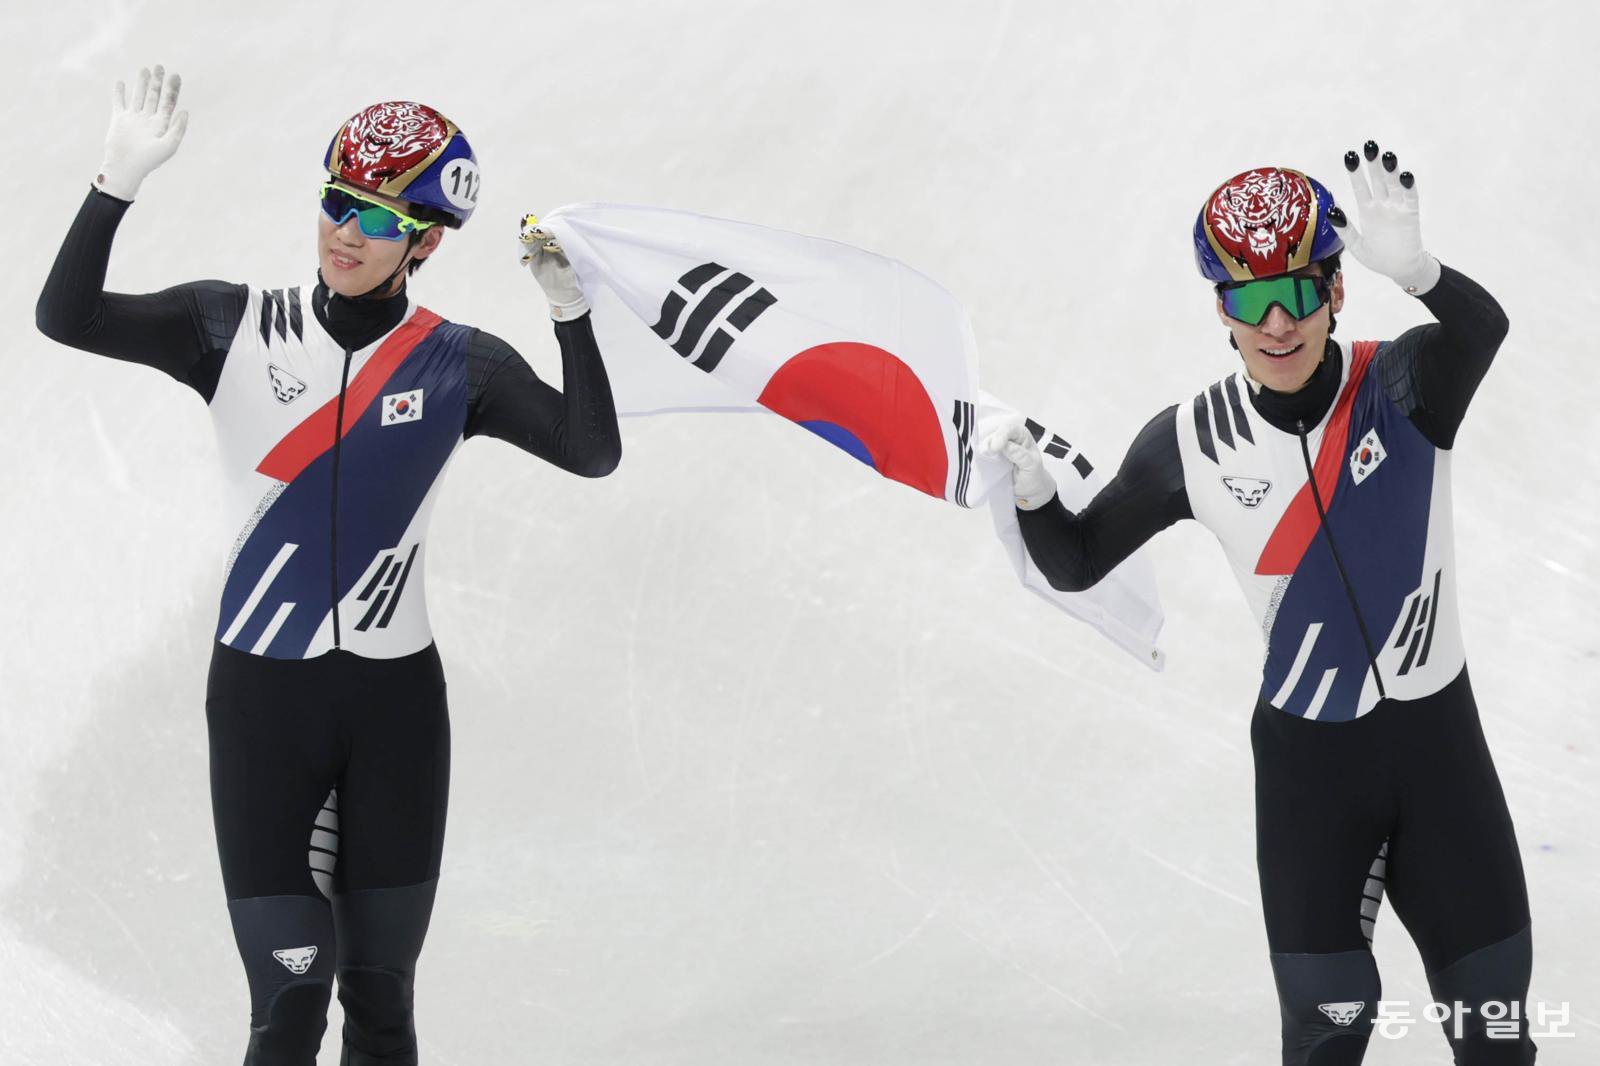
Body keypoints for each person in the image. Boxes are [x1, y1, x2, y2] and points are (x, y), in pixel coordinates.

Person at [35, 66, 621, 1065]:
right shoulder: (227, 326)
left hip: (396, 710)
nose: (345, 232)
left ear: (426, 241)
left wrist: (572, 315)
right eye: (336, 202)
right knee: (289, 1002)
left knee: (382, 1000)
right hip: (267, 706)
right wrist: (114, 184)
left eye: (378, 217)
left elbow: (587, 448)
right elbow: (68, 317)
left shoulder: (461, 364)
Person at [985, 148, 1533, 1065]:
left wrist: (1423, 276)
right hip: (1313, 774)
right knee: (1327, 1029)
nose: (1275, 325)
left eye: (1295, 295)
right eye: (1247, 302)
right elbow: (1078, 563)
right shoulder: (1190, 441)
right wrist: (1033, 494)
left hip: (1442, 755)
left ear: (1335, 293)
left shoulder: (1404, 385)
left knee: (1494, 1023)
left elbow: (1482, 332)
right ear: (1219, 312)